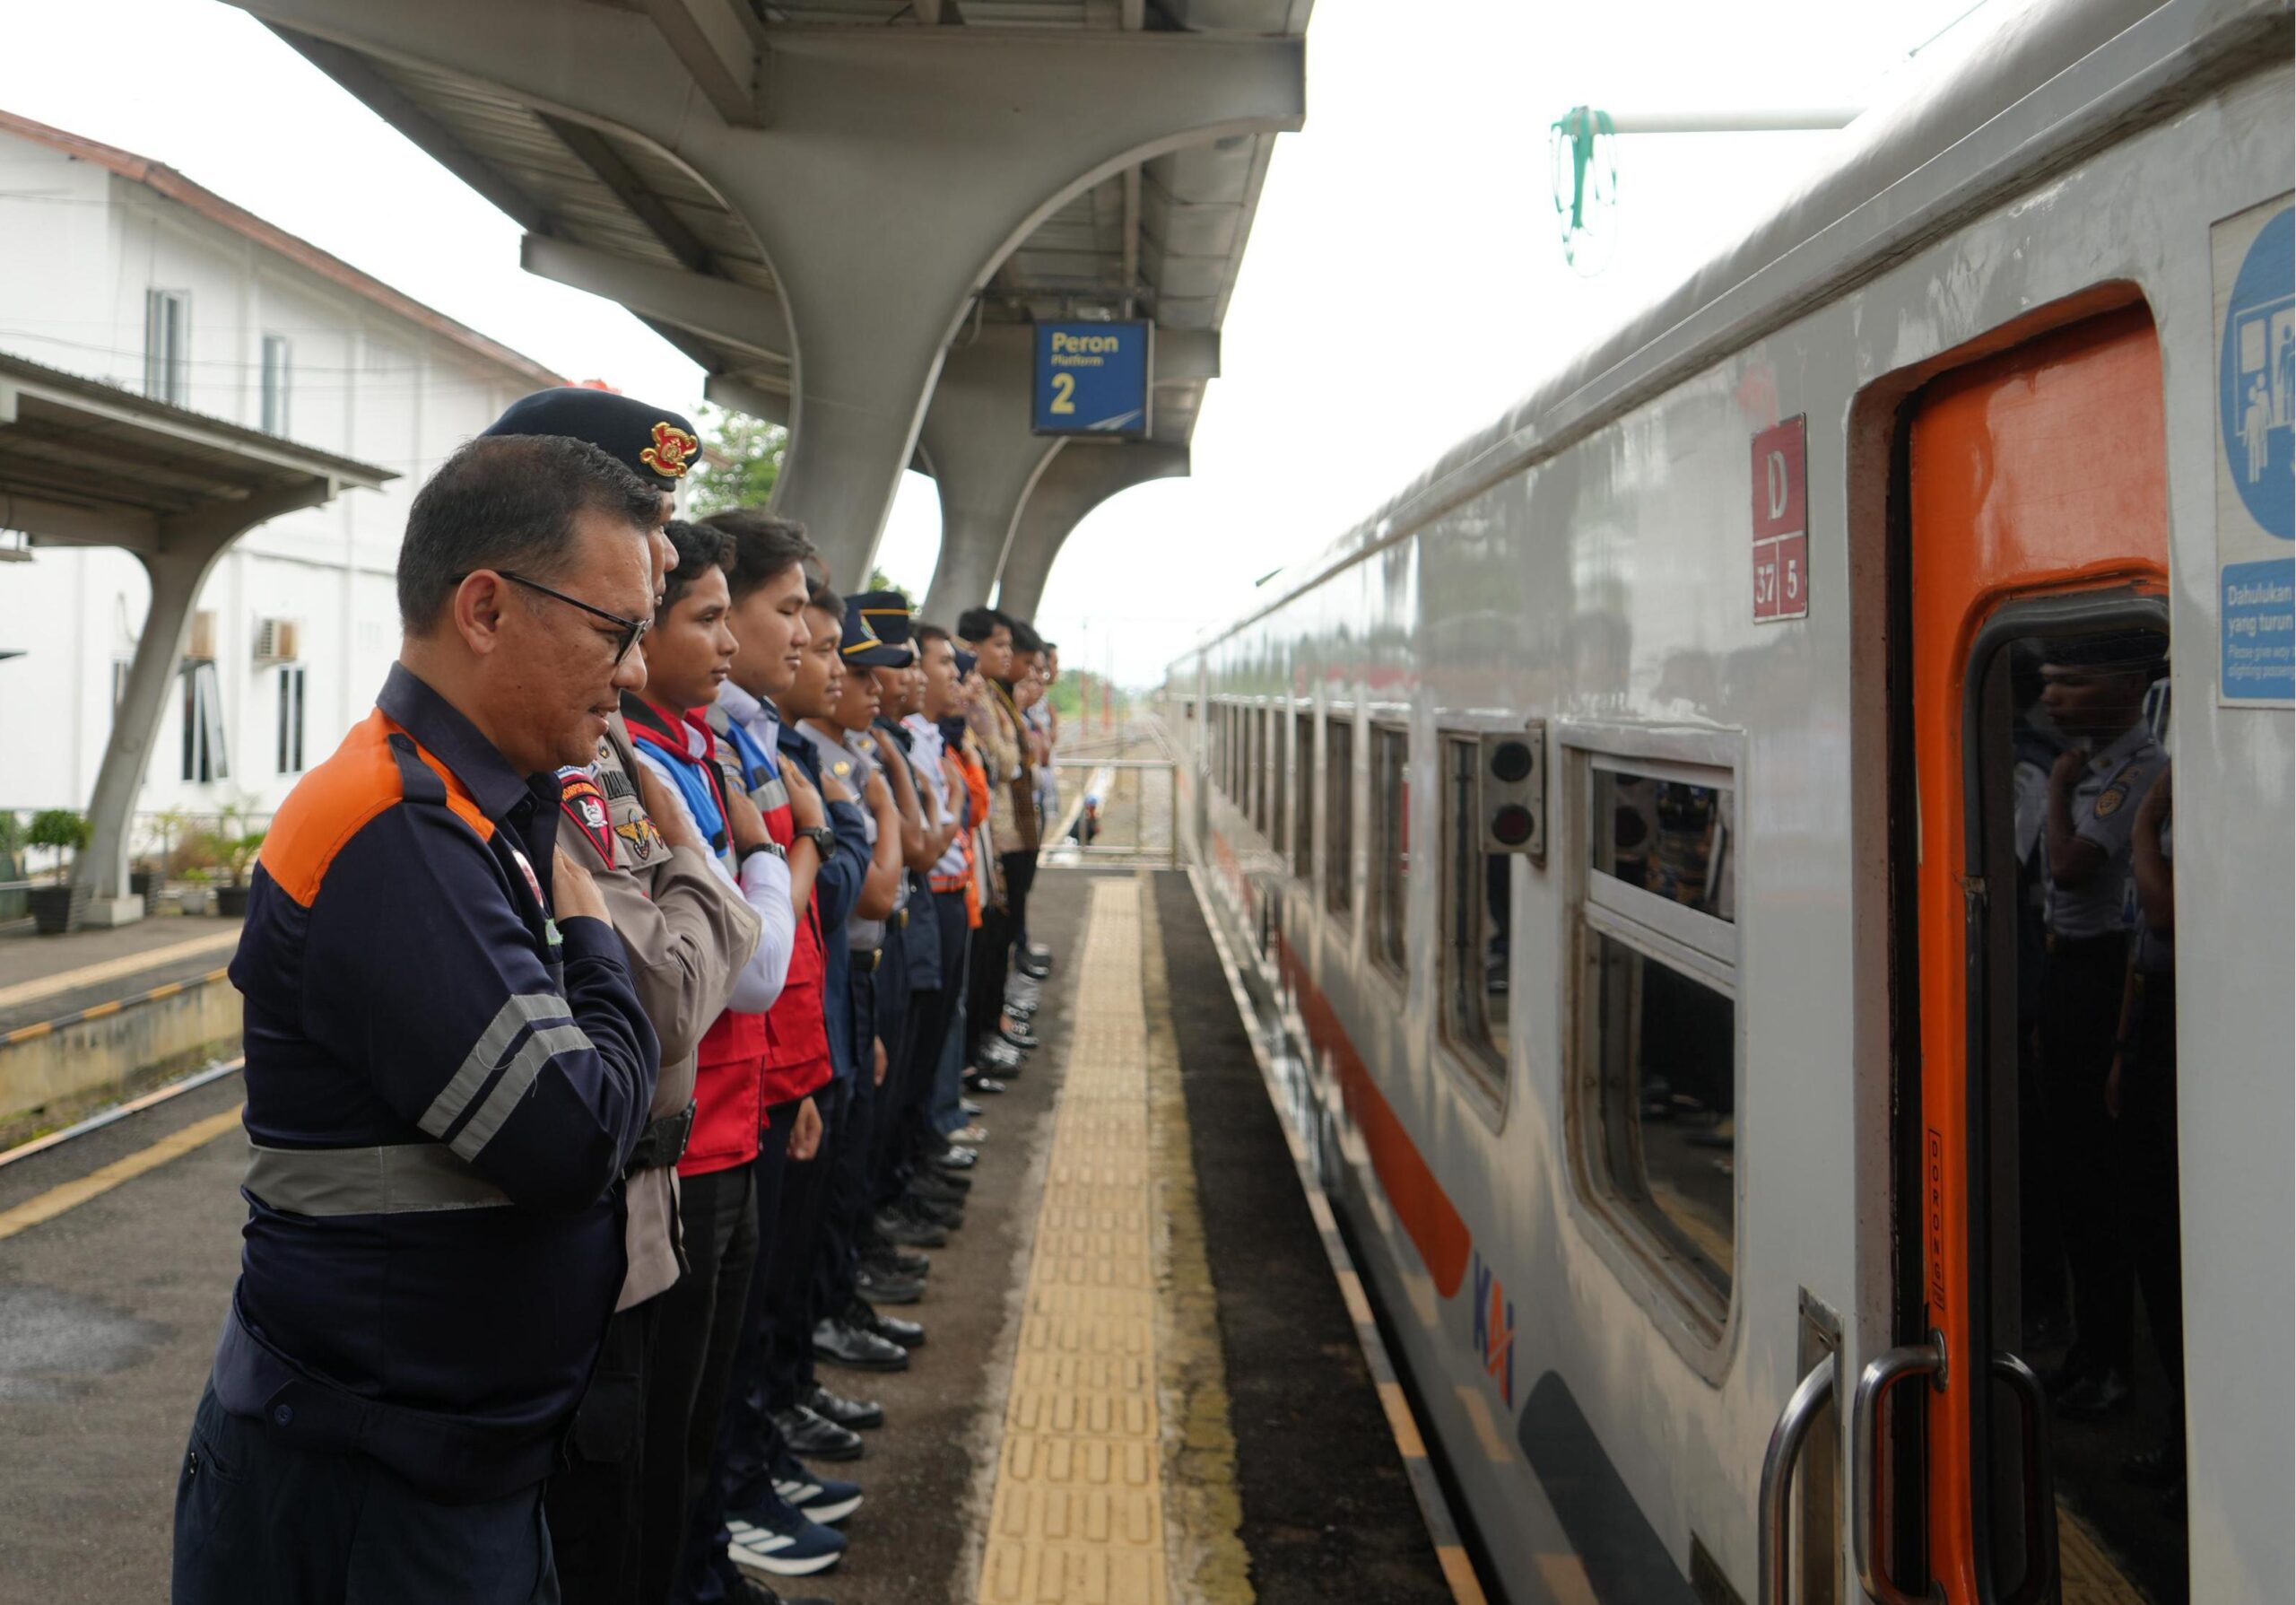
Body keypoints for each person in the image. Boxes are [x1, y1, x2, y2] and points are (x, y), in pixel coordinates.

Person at [174, 435, 664, 1604]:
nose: (635, 672)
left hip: (435, 1473)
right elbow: (578, 1134)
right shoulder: (393, 831)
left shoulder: (474, 813)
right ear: (487, 608)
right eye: (615, 630)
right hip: (368, 1500)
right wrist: (591, 926)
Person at [476, 390, 770, 1605]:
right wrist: (722, 866)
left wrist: (708, 883)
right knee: (603, 1542)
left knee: (649, 1506)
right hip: (579, 1242)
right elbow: (668, 993)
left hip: (640, 1214)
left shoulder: (619, 755)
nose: (638, 660)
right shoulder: (563, 772)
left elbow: (711, 945)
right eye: (625, 610)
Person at [621, 520, 809, 1605]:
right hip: (689, 1145)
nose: (737, 641)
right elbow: (739, 970)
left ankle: (703, 1568)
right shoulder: (645, 767)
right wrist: (769, 853)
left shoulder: (702, 749)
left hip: (738, 1115)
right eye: (711, 616)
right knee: (659, 1435)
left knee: (699, 1410)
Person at [2034, 632, 2167, 1419]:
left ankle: (2115, 1365)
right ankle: (2091, 1348)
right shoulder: (2094, 763)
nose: (2053, 697)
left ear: (2125, 685)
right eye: (2049, 682)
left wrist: (2055, 790)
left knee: (2100, 1179)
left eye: (2072, 683)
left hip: (2101, 973)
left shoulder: (2135, 769)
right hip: (2068, 969)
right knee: (2071, 1175)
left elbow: (2069, 865)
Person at [794, 598, 926, 1374]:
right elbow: (876, 890)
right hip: (838, 976)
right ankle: (820, 1325)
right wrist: (880, 799)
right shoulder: (822, 759)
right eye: (857, 672)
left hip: (857, 981)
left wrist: (890, 779)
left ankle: (836, 1302)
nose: (874, 690)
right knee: (829, 1182)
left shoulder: (855, 752)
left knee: (850, 1168)